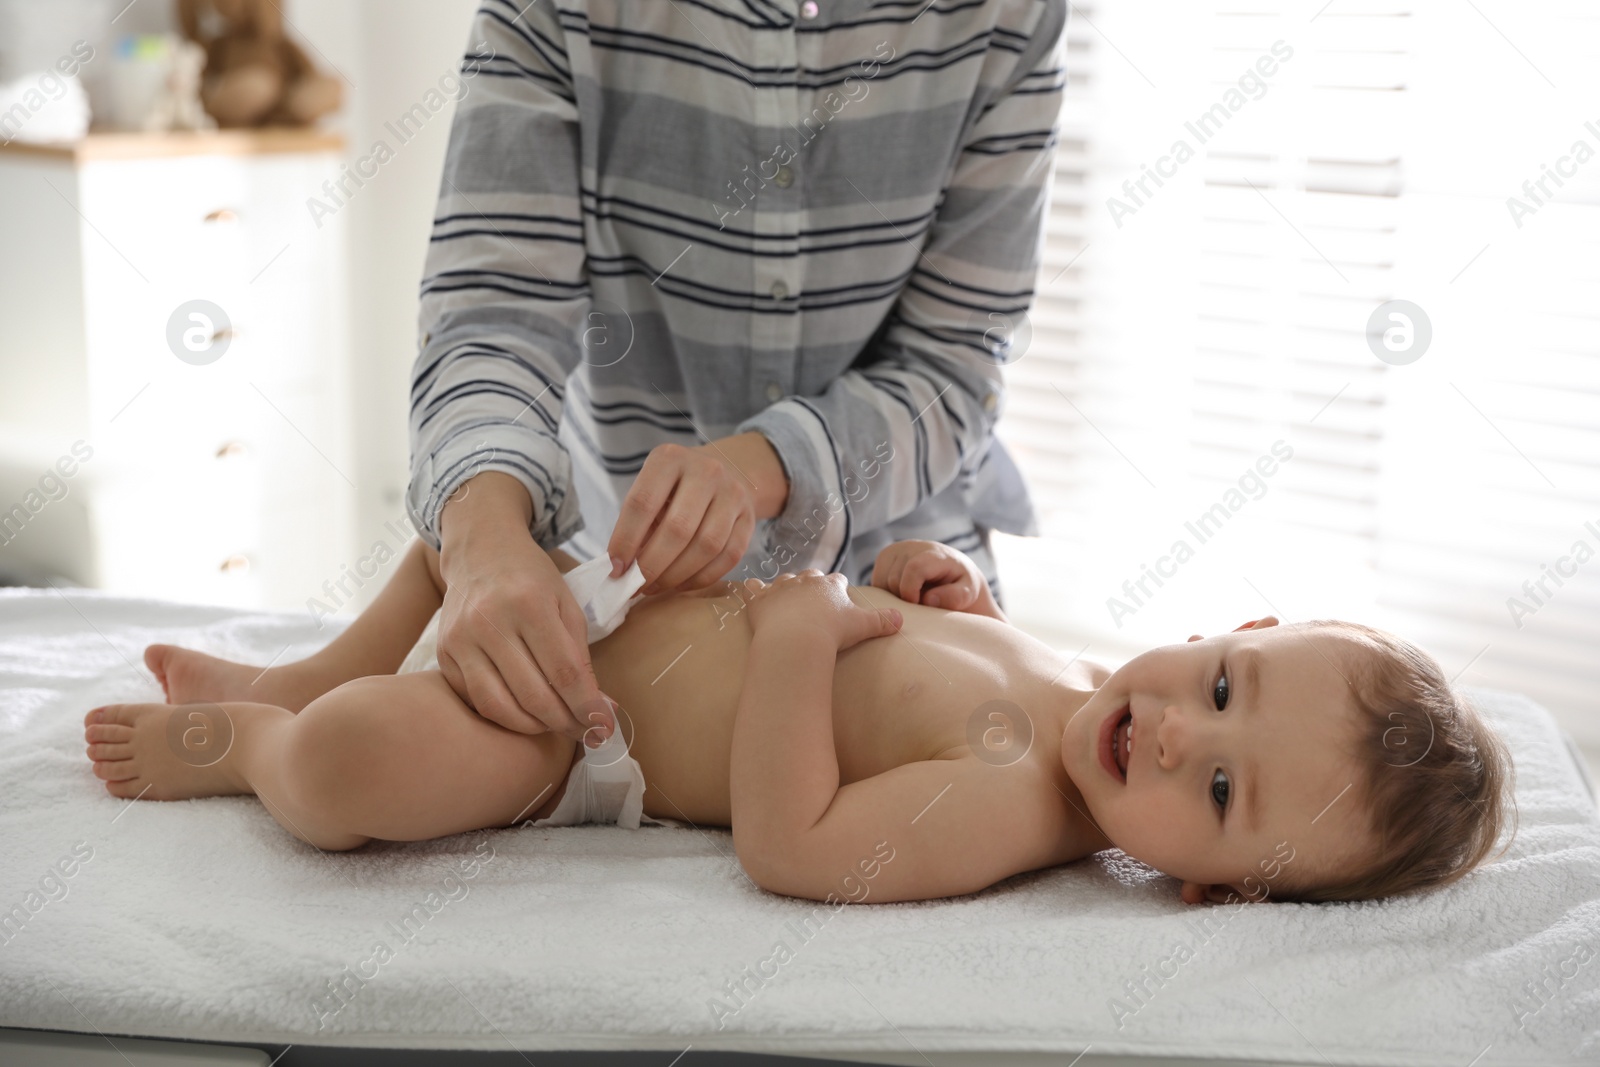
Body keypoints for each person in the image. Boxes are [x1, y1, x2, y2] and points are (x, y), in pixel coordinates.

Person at [90, 536, 1513, 906]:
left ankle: (264, 746)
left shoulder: (1020, 810)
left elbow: (794, 837)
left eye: (1217, 796)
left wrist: (788, 642)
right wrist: (933, 581)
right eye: (1219, 689)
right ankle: (292, 673)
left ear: (1204, 883)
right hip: (613, 608)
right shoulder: (1079, 673)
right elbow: (917, 651)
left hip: (583, 736)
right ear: (1233, 632)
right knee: (475, 531)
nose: (1183, 736)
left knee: (361, 759)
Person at [408, 0, 1066, 747]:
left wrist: (763, 466)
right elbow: (494, 318)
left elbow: (954, 368)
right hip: (619, 595)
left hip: (901, 589)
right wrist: (483, 542)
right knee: (422, 595)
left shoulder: (1009, 15)